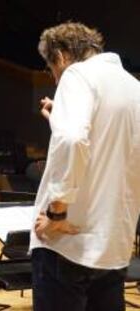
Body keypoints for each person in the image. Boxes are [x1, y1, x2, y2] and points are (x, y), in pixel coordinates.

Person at [30, 22, 140, 311]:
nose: (54, 79)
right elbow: (105, 143)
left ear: (62, 55)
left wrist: (57, 212)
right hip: (113, 244)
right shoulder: (134, 87)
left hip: (68, 243)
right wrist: (59, 117)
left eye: (50, 68)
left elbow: (73, 140)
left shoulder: (77, 74)